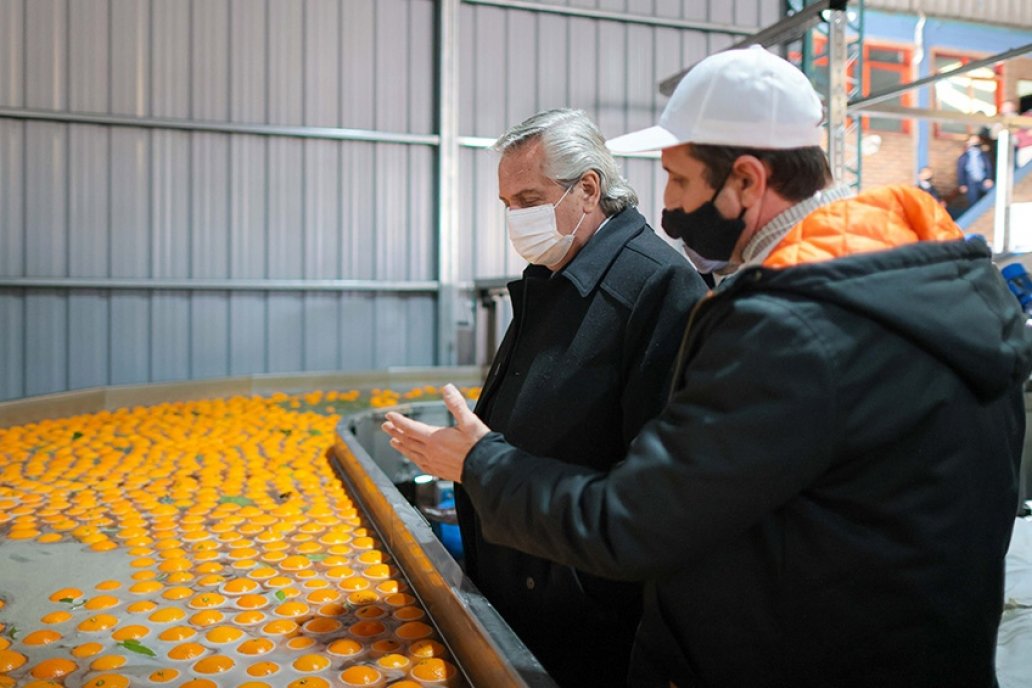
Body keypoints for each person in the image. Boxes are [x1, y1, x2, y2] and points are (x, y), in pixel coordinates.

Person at [384, 46, 1032, 687]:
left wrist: (480, 465)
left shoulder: (793, 330)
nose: (665, 206)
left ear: (747, 180)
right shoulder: (930, 290)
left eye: (681, 179)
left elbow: (636, 523)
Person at [451, 108, 706, 687]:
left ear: (588, 188)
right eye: (508, 205)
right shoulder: (555, 275)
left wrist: (574, 585)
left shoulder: (656, 286)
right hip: (525, 593)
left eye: (530, 198)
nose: (517, 218)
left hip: (585, 623)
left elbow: (654, 491)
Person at [956, 133, 994, 205]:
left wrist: (989, 178)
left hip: (983, 179)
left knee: (991, 194)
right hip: (971, 181)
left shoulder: (984, 155)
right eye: (973, 140)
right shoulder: (964, 157)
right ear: (968, 142)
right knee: (973, 201)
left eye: (977, 140)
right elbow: (960, 172)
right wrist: (962, 184)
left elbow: (989, 167)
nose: (975, 142)